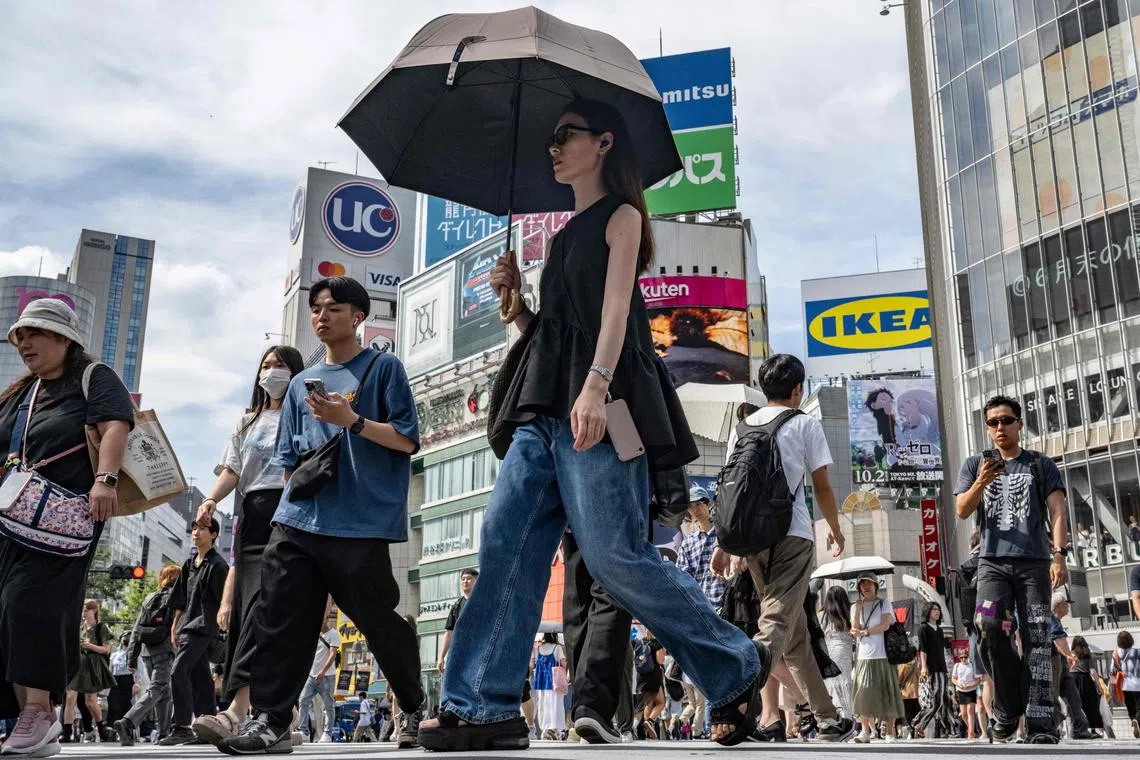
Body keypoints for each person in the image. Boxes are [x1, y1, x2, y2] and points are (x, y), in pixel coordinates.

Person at [420, 99, 769, 752]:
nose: (553, 147)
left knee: (615, 559)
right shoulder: (557, 240)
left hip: (600, 410)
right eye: (551, 138)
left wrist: (596, 386)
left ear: (603, 143)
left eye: (566, 136)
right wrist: (517, 306)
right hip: (541, 413)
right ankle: (483, 706)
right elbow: (557, 334)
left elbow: (615, 317)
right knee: (505, 541)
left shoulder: (623, 217)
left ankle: (735, 663)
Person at [219, 276, 425, 755]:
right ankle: (270, 720)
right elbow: (290, 459)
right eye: (316, 308)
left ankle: (413, 704)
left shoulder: (383, 369)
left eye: (333, 307)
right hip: (298, 520)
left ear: (358, 316)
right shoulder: (296, 386)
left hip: (360, 524)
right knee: (279, 618)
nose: (321, 315)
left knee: (378, 623)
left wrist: (350, 421)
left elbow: (407, 439)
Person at [0, 298, 133, 757]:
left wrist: (105, 479)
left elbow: (116, 423)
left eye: (34, 334)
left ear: (64, 338)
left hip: (65, 519)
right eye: (19, 336)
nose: (24, 344)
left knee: (30, 604)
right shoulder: (22, 393)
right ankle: (26, 717)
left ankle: (39, 711)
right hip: (10, 520)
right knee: (5, 609)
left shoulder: (92, 377)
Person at [711, 354, 855, 743]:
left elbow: (729, 491)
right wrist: (836, 530)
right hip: (792, 533)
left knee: (794, 637)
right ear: (797, 389)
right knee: (776, 622)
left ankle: (826, 718)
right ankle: (734, 692)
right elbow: (822, 486)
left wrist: (725, 543)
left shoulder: (740, 428)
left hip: (751, 540)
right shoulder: (805, 423)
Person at [190, 345, 304, 746]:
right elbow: (233, 470)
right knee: (249, 610)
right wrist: (209, 500)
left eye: (281, 366)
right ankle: (270, 714)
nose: (272, 373)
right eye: (266, 366)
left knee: (269, 610)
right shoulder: (247, 421)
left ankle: (240, 711)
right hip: (252, 517)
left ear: (296, 372)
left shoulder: (308, 411)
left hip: (292, 511)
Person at [954, 394, 1070, 744]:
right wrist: (981, 482)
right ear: (987, 429)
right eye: (993, 422)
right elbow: (961, 510)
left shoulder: (1040, 464)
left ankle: (1041, 724)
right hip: (991, 563)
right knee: (987, 625)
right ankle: (1007, 708)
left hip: (1034, 563)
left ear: (1020, 423)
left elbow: (1058, 511)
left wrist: (1059, 554)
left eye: (1006, 420)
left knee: (1037, 637)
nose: (1000, 427)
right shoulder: (975, 464)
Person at [159, 517, 229, 745]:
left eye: (202, 528)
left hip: (204, 627)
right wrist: (173, 626)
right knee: (201, 678)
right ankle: (207, 727)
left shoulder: (218, 565)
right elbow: (180, 599)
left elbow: (225, 599)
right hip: (188, 625)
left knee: (177, 671)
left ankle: (181, 727)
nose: (196, 532)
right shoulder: (189, 564)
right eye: (194, 528)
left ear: (214, 534)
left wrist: (224, 627)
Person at [117, 564, 181, 745]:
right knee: (158, 687)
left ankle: (163, 733)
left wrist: (131, 657)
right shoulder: (177, 598)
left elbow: (137, 629)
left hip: (147, 650)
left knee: (164, 692)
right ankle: (128, 721)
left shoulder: (149, 598)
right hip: (166, 649)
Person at [850, 572, 905, 744]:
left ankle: (890, 732)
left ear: (876, 585)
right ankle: (865, 731)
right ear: (858, 587)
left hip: (883, 655)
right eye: (862, 584)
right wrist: (858, 610)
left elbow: (885, 624)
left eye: (869, 583)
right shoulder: (854, 606)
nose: (866, 586)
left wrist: (865, 632)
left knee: (887, 693)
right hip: (863, 656)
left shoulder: (884, 603)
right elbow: (854, 629)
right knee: (863, 693)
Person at [64, 600, 116, 742]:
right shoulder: (79, 627)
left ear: (94, 611)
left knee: (90, 701)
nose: (83, 613)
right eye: (82, 610)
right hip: (77, 664)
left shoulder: (101, 628)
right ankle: (67, 733)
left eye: (86, 610)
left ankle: (101, 729)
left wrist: (90, 646)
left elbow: (106, 649)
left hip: (93, 665)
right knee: (70, 697)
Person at [1049, 592, 1092, 740]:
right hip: (1056, 666)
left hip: (1061, 667)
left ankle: (1078, 729)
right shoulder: (1052, 620)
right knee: (1061, 698)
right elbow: (1058, 640)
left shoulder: (1055, 621)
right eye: (1065, 604)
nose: (1067, 607)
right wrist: (1069, 655)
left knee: (1072, 698)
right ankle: (1056, 727)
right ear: (1057, 606)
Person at [296, 598, 339, 744]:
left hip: (327, 676)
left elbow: (333, 654)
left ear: (325, 619)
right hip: (311, 675)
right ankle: (304, 732)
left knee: (328, 705)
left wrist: (322, 671)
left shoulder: (333, 634)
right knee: (303, 701)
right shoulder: (312, 634)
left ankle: (327, 733)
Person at [676, 485, 725, 611]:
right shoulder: (688, 544)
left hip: (725, 606)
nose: (695, 510)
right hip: (700, 609)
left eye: (698, 504)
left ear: (708, 504)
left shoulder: (724, 536)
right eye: (691, 507)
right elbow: (682, 579)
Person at [912, 602, 953, 738]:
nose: (937, 612)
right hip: (930, 668)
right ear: (927, 611)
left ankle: (949, 729)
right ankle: (918, 724)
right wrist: (924, 667)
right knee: (935, 700)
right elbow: (922, 649)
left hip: (942, 668)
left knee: (945, 699)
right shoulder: (923, 628)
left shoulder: (939, 630)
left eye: (938, 609)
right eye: (934, 609)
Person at [821, 586, 854, 720]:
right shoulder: (849, 615)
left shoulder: (822, 616)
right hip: (844, 653)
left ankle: (835, 716)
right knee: (845, 682)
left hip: (829, 653)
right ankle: (847, 715)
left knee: (832, 683)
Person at [437, 569, 478, 674]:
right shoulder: (457, 606)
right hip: (459, 653)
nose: (465, 581)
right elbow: (449, 632)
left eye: (469, 578)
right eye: (463, 579)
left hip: (478, 652)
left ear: (477, 581)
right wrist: (441, 657)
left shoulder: (483, 602)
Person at [531, 633, 567, 740]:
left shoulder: (537, 648)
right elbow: (563, 663)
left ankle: (545, 730)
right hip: (554, 682)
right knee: (556, 705)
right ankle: (555, 729)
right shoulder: (557, 647)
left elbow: (532, 665)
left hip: (541, 681)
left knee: (543, 705)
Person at [1069, 636, 1104, 736]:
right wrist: (1099, 686)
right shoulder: (1088, 655)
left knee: (1076, 705)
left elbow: (1069, 668)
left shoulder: (1071, 654)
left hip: (1073, 679)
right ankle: (1093, 729)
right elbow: (1093, 672)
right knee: (1091, 705)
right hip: (1086, 680)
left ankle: (1077, 730)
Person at [1111, 630, 1140, 738]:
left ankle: (1134, 720)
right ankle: (1137, 721)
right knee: (1139, 708)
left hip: (1125, 685)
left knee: (1131, 708)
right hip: (1138, 684)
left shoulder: (1115, 653)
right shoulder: (1138, 652)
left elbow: (1112, 672)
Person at [106, 633, 135, 730]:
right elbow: (110, 670)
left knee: (126, 705)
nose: (127, 638)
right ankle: (111, 728)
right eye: (125, 636)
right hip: (115, 681)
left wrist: (137, 683)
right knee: (113, 706)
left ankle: (126, 728)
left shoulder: (134, 654)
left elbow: (138, 670)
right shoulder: (114, 655)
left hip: (128, 680)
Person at [950, 651, 979, 739]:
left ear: (968, 657)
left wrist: (971, 685)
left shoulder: (972, 666)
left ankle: (971, 733)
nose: (963, 659)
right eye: (961, 657)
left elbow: (978, 680)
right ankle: (973, 730)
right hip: (961, 690)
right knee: (963, 714)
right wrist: (958, 684)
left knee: (970, 711)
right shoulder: (957, 666)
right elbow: (953, 679)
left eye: (965, 657)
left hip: (971, 690)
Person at [897, 660, 920, 740]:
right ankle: (915, 730)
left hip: (906, 693)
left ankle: (911, 730)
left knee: (908, 713)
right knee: (916, 713)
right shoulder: (918, 665)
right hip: (917, 692)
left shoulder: (903, 665)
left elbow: (899, 679)